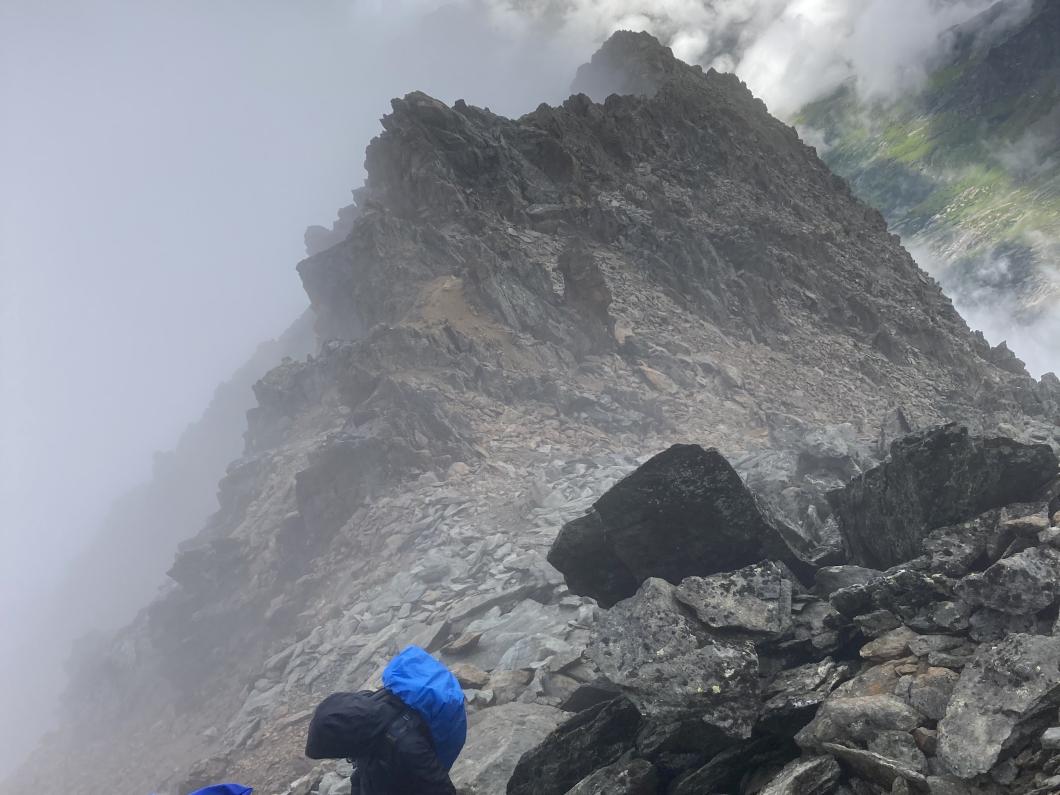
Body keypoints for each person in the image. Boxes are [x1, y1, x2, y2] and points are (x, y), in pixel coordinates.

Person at [306, 645, 467, 794]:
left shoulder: (407, 746)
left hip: (411, 764)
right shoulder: (363, 718)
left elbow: (441, 787)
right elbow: (361, 774)